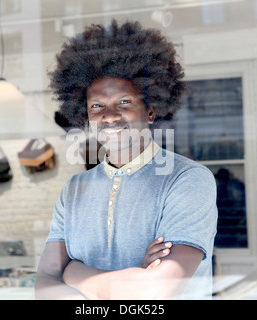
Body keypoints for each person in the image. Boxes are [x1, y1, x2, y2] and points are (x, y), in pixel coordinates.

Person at [35, 19, 218, 300]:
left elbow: (158, 290)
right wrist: (134, 277)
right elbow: (45, 285)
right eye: (97, 106)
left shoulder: (188, 179)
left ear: (151, 110)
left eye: (124, 102)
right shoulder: (74, 190)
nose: (109, 116)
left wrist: (73, 272)